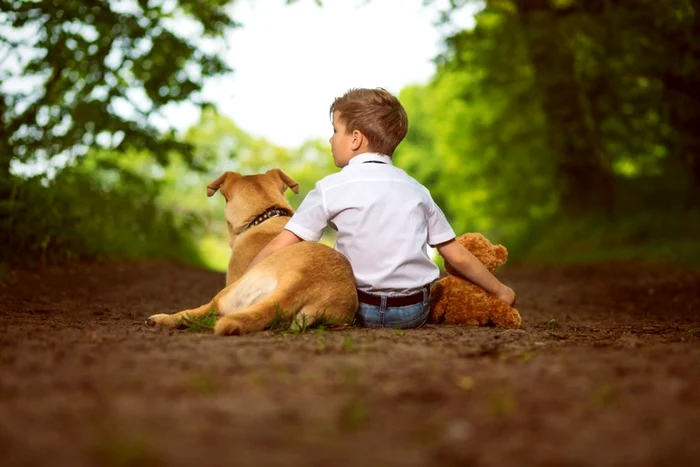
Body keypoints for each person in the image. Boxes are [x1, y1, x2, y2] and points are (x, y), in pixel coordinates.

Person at [248, 88, 516, 328]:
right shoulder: (417, 190)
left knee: (311, 252)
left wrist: (241, 285)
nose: (331, 140)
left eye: (334, 130)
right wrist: (500, 290)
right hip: (413, 311)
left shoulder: (330, 188)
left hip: (357, 308)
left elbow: (280, 246)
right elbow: (456, 255)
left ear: (355, 139)